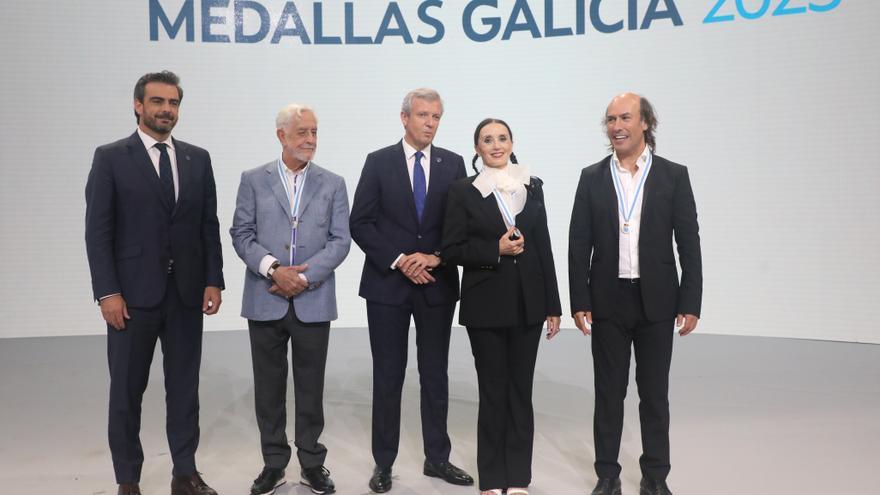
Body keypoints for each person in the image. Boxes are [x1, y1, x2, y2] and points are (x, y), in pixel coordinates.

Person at [84, 70, 224, 495]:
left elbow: (207, 225)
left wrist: (213, 280)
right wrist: (108, 292)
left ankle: (185, 473)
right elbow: (98, 231)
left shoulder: (196, 158)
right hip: (131, 299)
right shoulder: (111, 157)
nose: (167, 110)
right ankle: (129, 480)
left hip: (185, 295)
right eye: (158, 102)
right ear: (138, 105)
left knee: (185, 390)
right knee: (126, 394)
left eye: (174, 103)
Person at [568, 93, 703, 495]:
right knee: (609, 393)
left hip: (658, 301)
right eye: (610, 119)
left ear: (646, 123)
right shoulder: (591, 176)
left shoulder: (673, 175)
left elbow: (689, 243)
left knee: (654, 394)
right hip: (608, 300)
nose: (616, 126)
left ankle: (655, 475)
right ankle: (607, 474)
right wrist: (579, 300)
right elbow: (579, 244)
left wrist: (690, 302)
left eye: (625, 117)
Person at [349, 88, 473, 493]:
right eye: (423, 115)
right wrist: (402, 259)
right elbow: (361, 222)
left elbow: (461, 225)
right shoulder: (378, 162)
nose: (430, 123)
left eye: (436, 117)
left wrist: (434, 256)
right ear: (404, 118)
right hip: (388, 285)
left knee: (435, 374)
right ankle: (383, 462)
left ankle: (437, 458)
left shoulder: (453, 164)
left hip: (435, 284)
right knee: (388, 375)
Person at [230, 104, 351, 495]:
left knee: (311, 388)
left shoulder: (333, 183)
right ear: (281, 135)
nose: (310, 140)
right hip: (266, 296)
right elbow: (242, 233)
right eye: (302, 132)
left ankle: (313, 463)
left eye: (314, 132)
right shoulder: (253, 179)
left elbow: (340, 241)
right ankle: (274, 463)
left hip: (313, 299)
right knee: (268, 388)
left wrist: (305, 277)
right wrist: (274, 270)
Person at [442, 118, 562, 495]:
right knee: (493, 391)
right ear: (476, 149)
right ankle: (492, 479)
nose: (496, 145)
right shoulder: (463, 191)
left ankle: (518, 478)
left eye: (502, 138)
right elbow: (451, 249)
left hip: (529, 304)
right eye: (487, 140)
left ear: (512, 142)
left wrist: (553, 305)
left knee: (520, 392)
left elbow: (542, 245)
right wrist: (493, 249)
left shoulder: (533, 185)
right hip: (486, 305)